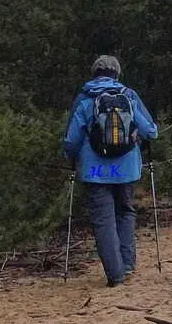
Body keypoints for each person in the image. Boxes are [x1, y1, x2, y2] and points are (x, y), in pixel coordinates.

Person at [62, 55, 159, 287]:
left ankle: (116, 275)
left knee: (103, 220)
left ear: (93, 73)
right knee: (125, 212)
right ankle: (127, 265)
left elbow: (72, 140)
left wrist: (70, 158)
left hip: (94, 172)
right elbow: (152, 131)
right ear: (117, 73)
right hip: (126, 169)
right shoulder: (129, 95)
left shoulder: (85, 99)